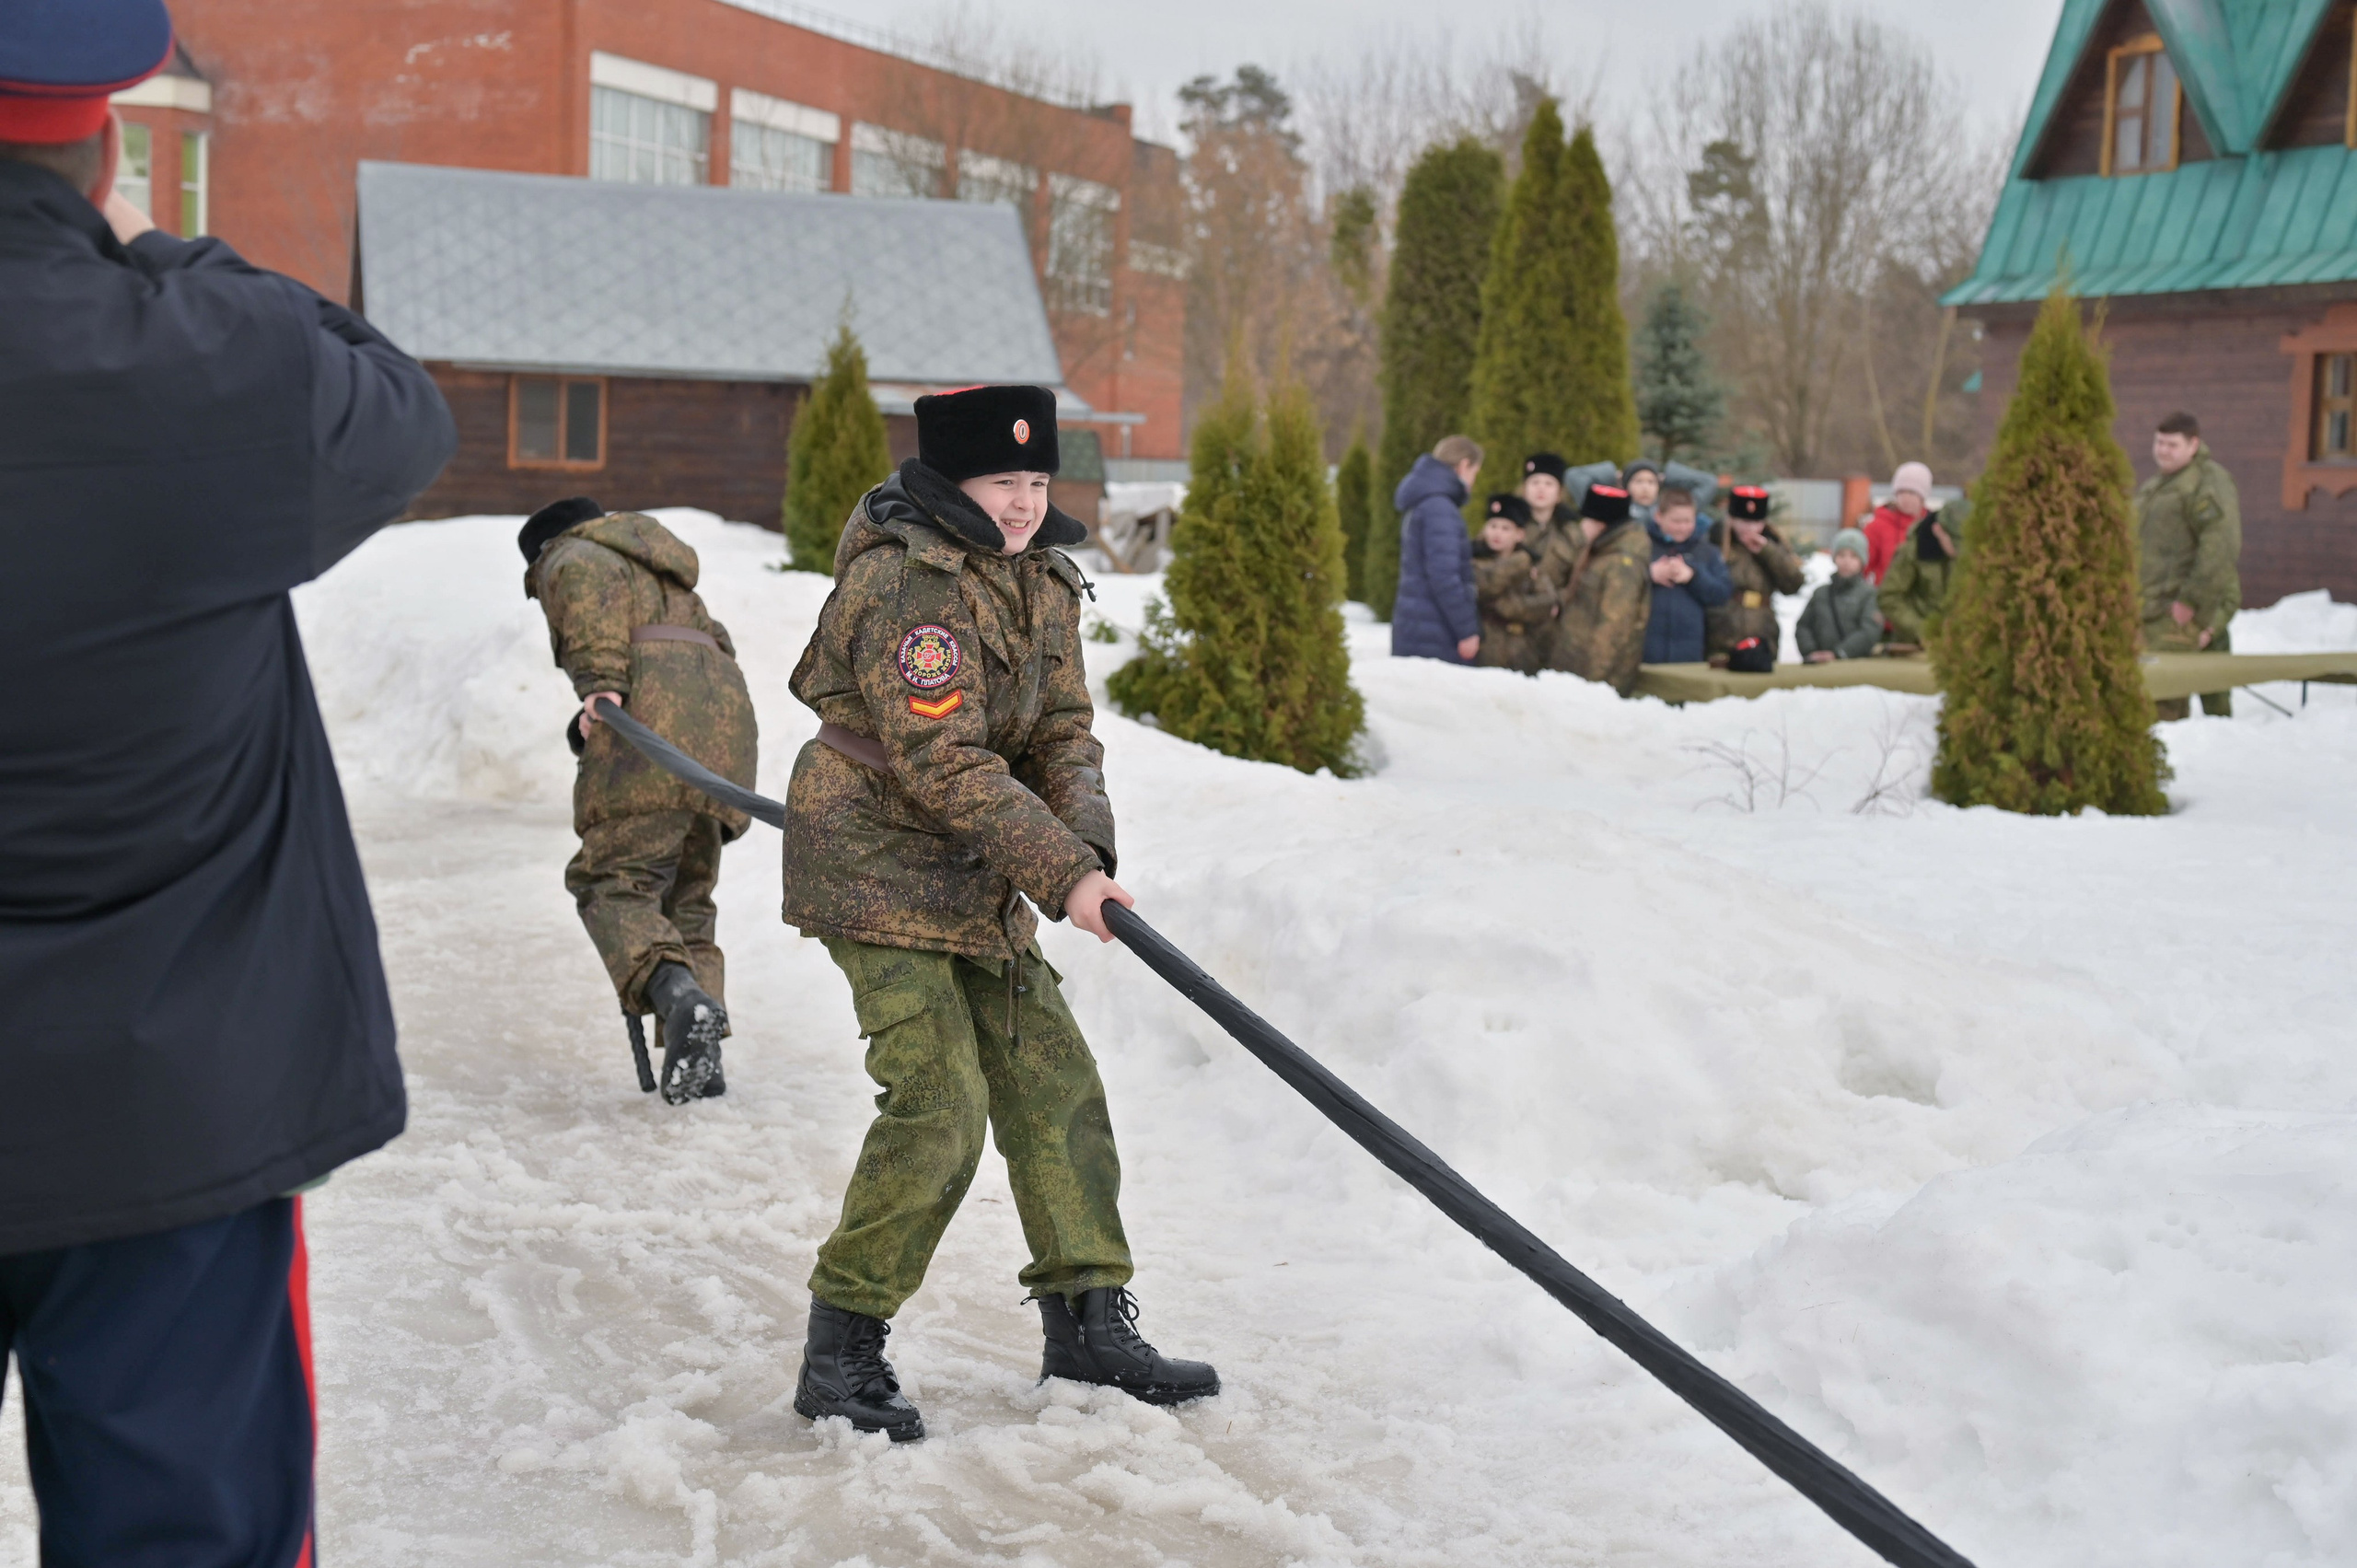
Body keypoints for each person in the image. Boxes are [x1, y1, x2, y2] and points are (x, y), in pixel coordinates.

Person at [0, 3, 457, 1559]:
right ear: (106, 141)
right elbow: (396, 401)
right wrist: (165, 254)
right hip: (166, 1112)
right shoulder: (213, 368)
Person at [781, 384, 1218, 1443]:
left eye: (1035, 478)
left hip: (981, 861)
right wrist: (1058, 872)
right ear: (948, 480)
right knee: (940, 1102)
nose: (1023, 501)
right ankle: (841, 1347)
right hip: (877, 861)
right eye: (999, 480)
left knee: (1053, 1079)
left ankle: (1089, 1323)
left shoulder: (1043, 574)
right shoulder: (908, 583)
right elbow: (944, 758)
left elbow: (1064, 730)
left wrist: (1087, 854)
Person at [522, 497, 760, 1103]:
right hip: (720, 735)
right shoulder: (660, 568)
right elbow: (715, 647)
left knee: (613, 881)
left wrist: (600, 686)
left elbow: (587, 604)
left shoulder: (574, 555)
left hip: (652, 733)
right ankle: (703, 1056)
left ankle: (678, 996)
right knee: (688, 896)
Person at [2136, 412, 2242, 720]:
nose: (2163, 450)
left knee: (2164, 708)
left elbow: (2220, 546)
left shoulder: (2206, 482)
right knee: (2144, 703)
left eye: (2172, 444)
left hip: (2176, 615)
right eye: (2159, 442)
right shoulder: (2157, 486)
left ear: (2193, 445)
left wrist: (2192, 601)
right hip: (2148, 613)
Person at [1391, 435, 1484, 663]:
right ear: (1464, 465)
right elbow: (1444, 576)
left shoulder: (1426, 501)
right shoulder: (1439, 508)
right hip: (1436, 634)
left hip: (1419, 626)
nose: (1473, 481)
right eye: (1474, 473)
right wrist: (1467, 630)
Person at [1554, 482, 1655, 693]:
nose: (1582, 526)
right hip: (1576, 669)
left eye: (1588, 520)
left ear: (1601, 523)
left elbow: (1614, 628)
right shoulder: (1601, 551)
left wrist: (1593, 683)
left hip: (1597, 680)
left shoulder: (1621, 564)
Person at [1706, 485, 1805, 668]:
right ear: (1732, 520)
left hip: (1762, 629)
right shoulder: (1715, 543)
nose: (1750, 528)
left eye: (1756, 522)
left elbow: (1793, 584)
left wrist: (1767, 552)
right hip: (1724, 627)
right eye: (1744, 521)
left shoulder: (1773, 545)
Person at [1640, 486, 1733, 666]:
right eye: (1676, 521)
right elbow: (1620, 586)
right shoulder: (1642, 546)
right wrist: (1649, 574)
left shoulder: (1707, 552)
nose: (1682, 527)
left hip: (1690, 653)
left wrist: (1693, 576)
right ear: (1658, 517)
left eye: (1688, 521)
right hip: (1645, 650)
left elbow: (1722, 594)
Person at [1472, 494, 1557, 675]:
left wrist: (1509, 606)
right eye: (1493, 526)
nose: (1497, 533)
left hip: (1520, 652)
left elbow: (1546, 602)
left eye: (1505, 528)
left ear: (1519, 534)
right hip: (1483, 647)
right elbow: (1484, 589)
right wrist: (1516, 564)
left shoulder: (1531, 565)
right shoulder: (1474, 560)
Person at [1878, 501, 1966, 649]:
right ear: (1938, 530)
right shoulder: (1912, 552)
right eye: (1954, 542)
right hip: (1915, 644)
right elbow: (1889, 597)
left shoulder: (1979, 553)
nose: (1959, 551)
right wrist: (1922, 630)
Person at [1796, 529, 1885, 662]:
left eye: (1854, 556)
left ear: (1862, 561)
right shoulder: (1820, 593)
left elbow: (1869, 632)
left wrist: (1840, 653)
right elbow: (1803, 626)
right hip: (1819, 665)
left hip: (1854, 666)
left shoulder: (1869, 594)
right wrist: (1811, 652)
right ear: (1834, 558)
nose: (1846, 561)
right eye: (1841, 555)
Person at [1863, 461, 1933, 584]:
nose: (1905, 498)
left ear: (1922, 497)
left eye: (1912, 493)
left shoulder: (1933, 528)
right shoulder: (1877, 526)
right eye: (1901, 492)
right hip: (1886, 592)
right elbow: (1862, 566)